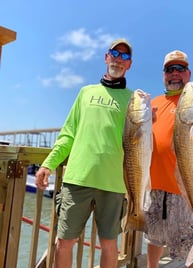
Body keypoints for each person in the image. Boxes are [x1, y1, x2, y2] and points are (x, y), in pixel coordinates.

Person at [35, 38, 133, 268]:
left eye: (125, 57)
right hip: (77, 178)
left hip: (114, 184)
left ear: (129, 65)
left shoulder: (133, 100)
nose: (119, 60)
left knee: (109, 244)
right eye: (115, 54)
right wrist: (48, 164)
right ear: (106, 57)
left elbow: (141, 141)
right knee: (64, 241)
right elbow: (68, 133)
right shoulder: (85, 92)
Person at [143, 50, 193, 268]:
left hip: (186, 189)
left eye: (180, 69)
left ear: (188, 73)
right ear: (163, 74)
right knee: (153, 238)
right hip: (155, 188)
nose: (175, 73)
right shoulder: (155, 103)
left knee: (192, 244)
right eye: (170, 69)